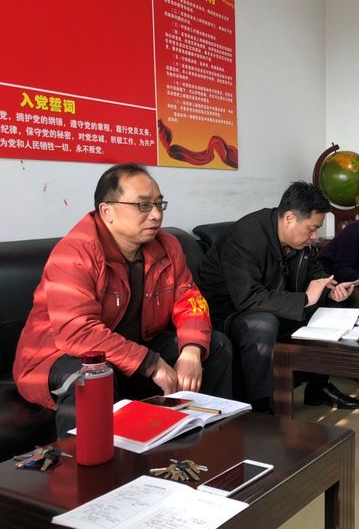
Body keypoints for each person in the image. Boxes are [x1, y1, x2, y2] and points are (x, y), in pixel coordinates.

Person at [13, 163, 233, 437]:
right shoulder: (74, 253)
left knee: (215, 346)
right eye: (143, 205)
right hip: (59, 356)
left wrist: (191, 349)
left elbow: (190, 299)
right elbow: (77, 333)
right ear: (107, 211)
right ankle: (84, 462)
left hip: (131, 351)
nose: (156, 214)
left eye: (159, 204)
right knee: (93, 375)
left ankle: (210, 441)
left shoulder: (168, 246)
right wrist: (151, 364)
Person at [196, 181, 359, 411]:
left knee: (327, 309)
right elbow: (247, 298)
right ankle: (260, 406)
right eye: (312, 228)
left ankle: (318, 387)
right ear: (289, 218)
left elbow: (314, 272)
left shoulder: (296, 239)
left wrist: (331, 289)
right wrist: (305, 299)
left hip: (268, 301)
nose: (314, 236)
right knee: (264, 325)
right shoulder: (245, 237)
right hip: (227, 312)